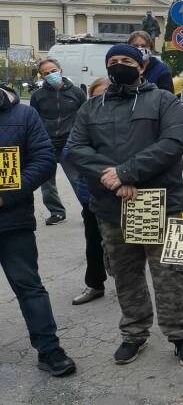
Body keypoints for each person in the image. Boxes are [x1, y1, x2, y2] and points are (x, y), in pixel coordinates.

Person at [67, 44, 183, 367]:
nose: (120, 65)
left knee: (168, 273)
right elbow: (77, 149)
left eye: (127, 60)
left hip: (158, 203)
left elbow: (171, 144)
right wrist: (113, 179)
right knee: (125, 274)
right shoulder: (91, 108)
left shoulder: (164, 101)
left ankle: (181, 335)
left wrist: (126, 173)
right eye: (114, 61)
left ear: (142, 66)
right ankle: (134, 333)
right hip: (111, 207)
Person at [0, 79, 77, 377]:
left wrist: (6, 196)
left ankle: (49, 349)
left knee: (29, 287)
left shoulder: (23, 115)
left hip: (12, 222)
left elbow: (44, 160)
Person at [67, 77, 111, 306]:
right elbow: (70, 151)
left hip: (127, 193)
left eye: (107, 94)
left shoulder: (126, 119)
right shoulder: (84, 119)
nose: (102, 100)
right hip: (93, 193)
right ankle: (94, 284)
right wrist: (109, 168)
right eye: (96, 96)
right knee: (93, 240)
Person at [30, 58, 87, 226]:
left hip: (70, 144)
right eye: (46, 73)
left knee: (77, 179)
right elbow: (34, 119)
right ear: (42, 76)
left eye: (53, 71)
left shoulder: (77, 93)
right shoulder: (38, 96)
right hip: (46, 145)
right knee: (46, 182)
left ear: (60, 70)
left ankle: (88, 210)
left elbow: (85, 117)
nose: (51, 75)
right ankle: (56, 212)